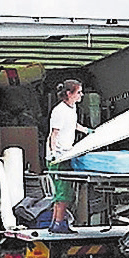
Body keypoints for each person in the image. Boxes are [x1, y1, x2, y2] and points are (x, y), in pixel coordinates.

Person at [46, 79, 93, 234]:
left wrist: (86, 130)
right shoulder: (59, 111)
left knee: (64, 192)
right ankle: (59, 223)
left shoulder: (72, 108)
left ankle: (56, 223)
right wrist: (53, 154)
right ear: (69, 93)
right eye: (78, 92)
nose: (81, 95)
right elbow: (54, 134)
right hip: (58, 157)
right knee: (63, 193)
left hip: (66, 154)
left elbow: (73, 124)